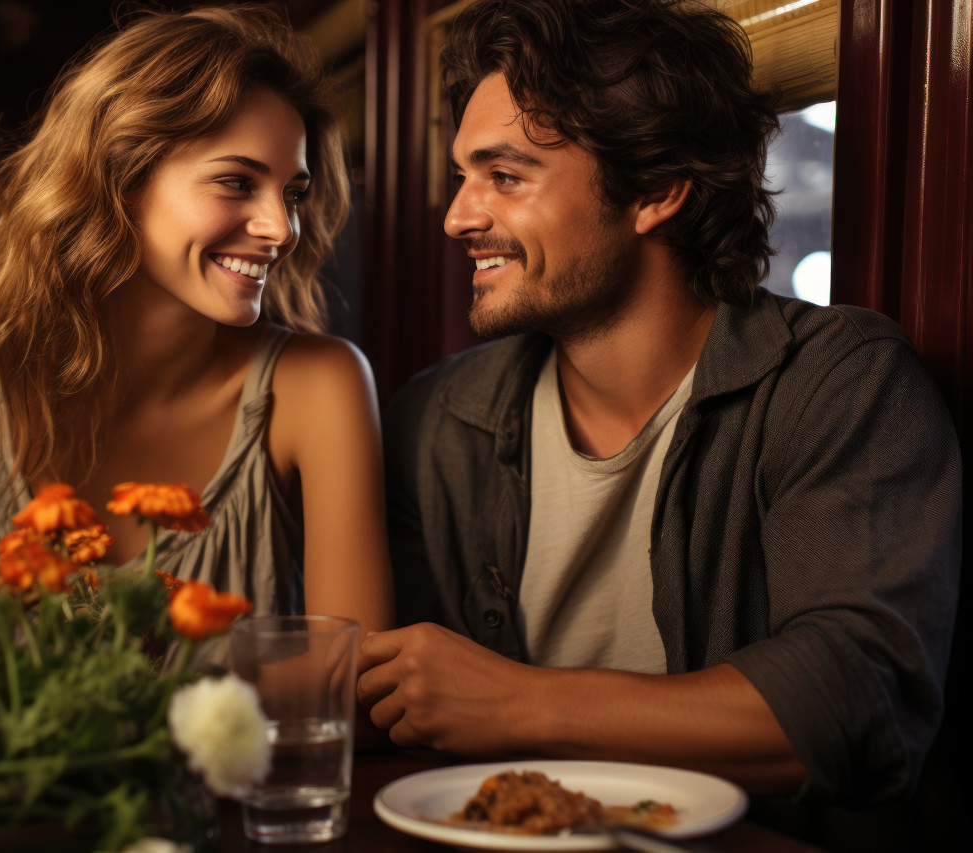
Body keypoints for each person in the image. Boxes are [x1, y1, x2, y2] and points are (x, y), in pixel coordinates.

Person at [356, 0, 961, 834]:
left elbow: (857, 704)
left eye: (504, 175)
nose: (458, 215)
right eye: (462, 176)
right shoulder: (435, 420)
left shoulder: (839, 381)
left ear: (656, 188)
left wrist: (517, 702)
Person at [0, 5, 393, 636]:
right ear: (119, 177)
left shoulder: (320, 384)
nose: (282, 229)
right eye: (235, 182)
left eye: (293, 193)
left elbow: (354, 686)